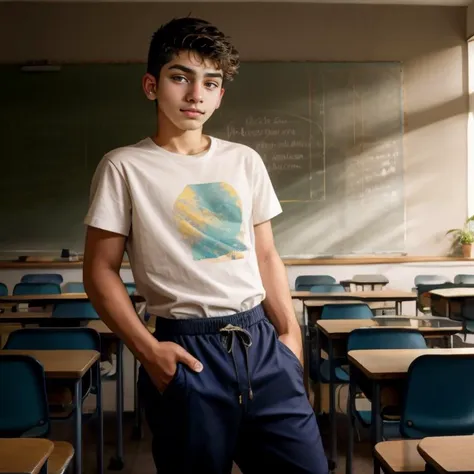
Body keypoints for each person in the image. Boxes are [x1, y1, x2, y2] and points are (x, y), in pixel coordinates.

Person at [83, 16, 328, 474]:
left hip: (261, 342)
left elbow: (266, 255)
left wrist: (290, 335)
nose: (196, 94)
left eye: (210, 83)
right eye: (181, 77)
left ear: (220, 94)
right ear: (151, 85)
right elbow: (99, 271)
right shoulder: (124, 167)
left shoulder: (244, 161)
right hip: (186, 352)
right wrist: (148, 350)